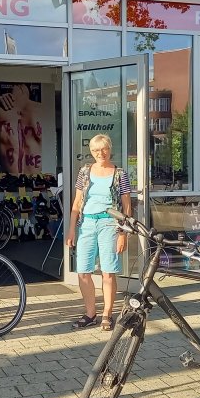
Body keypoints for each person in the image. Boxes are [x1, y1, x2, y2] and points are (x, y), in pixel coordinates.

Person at [66, 134, 131, 331]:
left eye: (103, 149)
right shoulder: (85, 172)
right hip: (86, 224)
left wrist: (122, 233)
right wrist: (71, 230)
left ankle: (107, 314)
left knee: (108, 272)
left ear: (109, 149)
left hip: (109, 224)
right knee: (83, 271)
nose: (100, 154)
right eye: (95, 150)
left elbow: (127, 207)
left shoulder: (120, 174)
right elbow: (77, 203)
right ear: (91, 152)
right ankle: (90, 313)